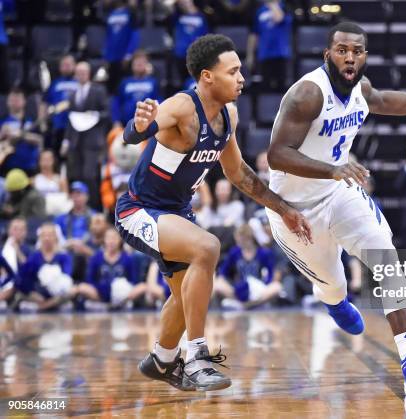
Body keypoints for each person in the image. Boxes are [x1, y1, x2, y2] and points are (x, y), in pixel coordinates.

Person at [266, 21, 406, 395]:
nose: (350, 56)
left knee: (387, 260)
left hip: (338, 192)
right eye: (342, 50)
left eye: (356, 50)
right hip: (293, 208)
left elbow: (386, 101)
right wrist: (333, 168)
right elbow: (276, 155)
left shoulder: (361, 88)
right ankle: (335, 301)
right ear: (328, 54)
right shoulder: (308, 93)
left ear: (365, 55)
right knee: (333, 282)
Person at [115, 34, 311, 391]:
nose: (241, 78)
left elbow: (239, 175)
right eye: (233, 71)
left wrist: (283, 209)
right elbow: (137, 131)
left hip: (175, 213)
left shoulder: (228, 115)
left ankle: (161, 359)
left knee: (184, 296)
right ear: (207, 76)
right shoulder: (181, 107)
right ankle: (197, 357)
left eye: (241, 71)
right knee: (207, 247)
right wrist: (138, 126)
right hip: (139, 211)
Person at [62, 61, 110, 210]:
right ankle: (78, 207)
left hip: (92, 141)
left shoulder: (98, 90)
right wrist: (66, 140)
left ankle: (95, 206)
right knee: (77, 175)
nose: (81, 75)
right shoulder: (73, 93)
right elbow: (71, 118)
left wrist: (94, 115)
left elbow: (106, 113)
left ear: (88, 74)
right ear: (75, 74)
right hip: (76, 141)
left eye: (84, 72)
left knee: (89, 175)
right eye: (78, 73)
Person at [213, 224, 280, 310]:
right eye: (237, 241)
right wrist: (223, 280)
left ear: (249, 238)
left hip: (258, 289)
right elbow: (223, 271)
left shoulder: (263, 253)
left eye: (241, 241)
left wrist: (265, 284)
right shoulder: (235, 252)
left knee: (277, 287)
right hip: (240, 289)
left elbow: (271, 273)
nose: (238, 243)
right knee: (218, 285)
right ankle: (243, 303)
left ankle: (250, 304)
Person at [14, 223, 73, 312]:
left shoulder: (64, 256)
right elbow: (23, 277)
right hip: (38, 294)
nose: (47, 238)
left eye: (50, 235)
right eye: (44, 235)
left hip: (57, 294)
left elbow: (67, 276)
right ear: (40, 238)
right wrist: (32, 293)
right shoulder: (35, 256)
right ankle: (44, 304)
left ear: (56, 237)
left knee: (72, 291)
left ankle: (45, 306)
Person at [247, 0, 292, 91]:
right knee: (265, 88)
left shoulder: (285, 8)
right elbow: (254, 34)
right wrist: (250, 54)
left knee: (281, 89)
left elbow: (279, 18)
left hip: (281, 54)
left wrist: (272, 4)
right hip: (264, 55)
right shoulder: (260, 11)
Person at [0, 88, 44, 176]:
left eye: (17, 99)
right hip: (8, 165)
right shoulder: (3, 121)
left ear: (24, 101)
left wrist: (22, 135)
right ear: (7, 101)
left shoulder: (31, 121)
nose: (15, 102)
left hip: (29, 167)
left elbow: (40, 140)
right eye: (12, 99)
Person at [112, 51, 162, 128]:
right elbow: (117, 102)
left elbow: (159, 102)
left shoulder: (153, 82)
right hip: (126, 125)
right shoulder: (125, 82)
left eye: (142, 63)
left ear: (147, 65)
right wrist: (116, 121)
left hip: (148, 124)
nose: (139, 64)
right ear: (132, 65)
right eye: (137, 63)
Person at [40, 54, 79, 154]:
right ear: (60, 67)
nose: (66, 67)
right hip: (58, 126)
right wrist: (43, 123)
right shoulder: (55, 84)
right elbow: (44, 103)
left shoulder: (79, 83)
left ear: (74, 65)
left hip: (76, 127)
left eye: (69, 64)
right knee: (56, 155)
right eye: (64, 65)